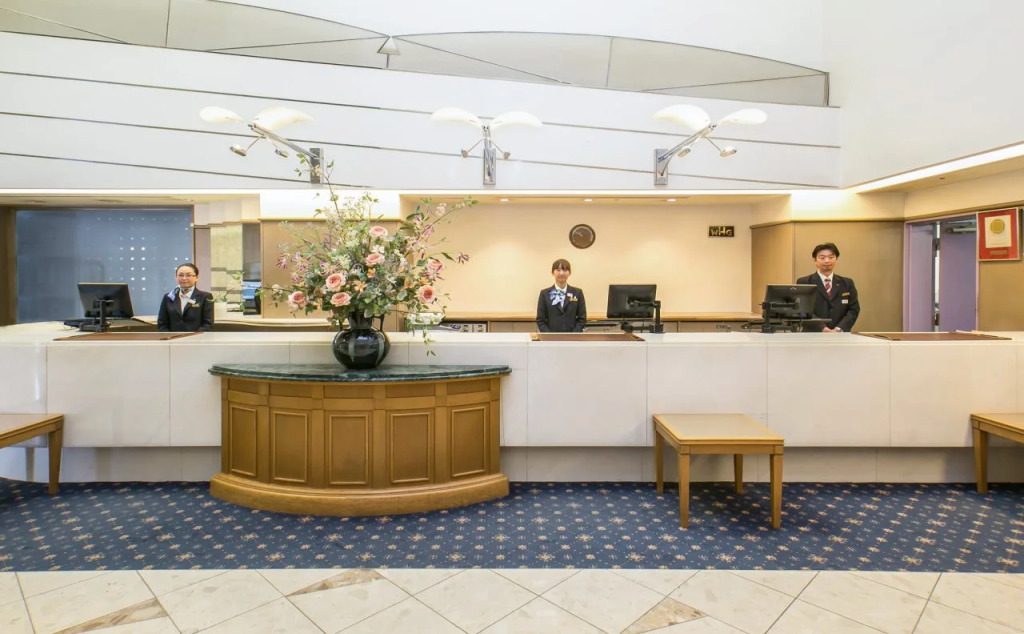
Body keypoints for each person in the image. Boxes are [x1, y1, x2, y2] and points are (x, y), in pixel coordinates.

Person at [796, 242, 859, 333]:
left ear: (836, 259)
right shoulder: (804, 282)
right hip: (813, 333)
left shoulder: (847, 283)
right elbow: (801, 310)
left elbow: (853, 309)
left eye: (831, 257)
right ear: (815, 260)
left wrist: (839, 328)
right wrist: (822, 328)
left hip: (840, 334)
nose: (827, 261)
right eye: (822, 258)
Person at [157, 262, 215, 332]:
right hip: (172, 338)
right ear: (176, 277)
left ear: (196, 277)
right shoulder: (168, 297)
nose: (184, 278)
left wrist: (193, 337)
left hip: (197, 338)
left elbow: (208, 324)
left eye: (188, 275)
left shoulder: (205, 297)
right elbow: (162, 324)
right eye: (181, 275)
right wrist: (170, 337)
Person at [536, 258, 587, 332]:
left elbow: (582, 319)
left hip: (573, 336)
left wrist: (573, 335)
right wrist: (549, 336)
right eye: (558, 270)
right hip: (551, 337)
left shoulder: (577, 293)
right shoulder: (544, 294)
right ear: (552, 273)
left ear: (569, 273)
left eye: (565, 270)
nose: (561, 273)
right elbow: (540, 320)